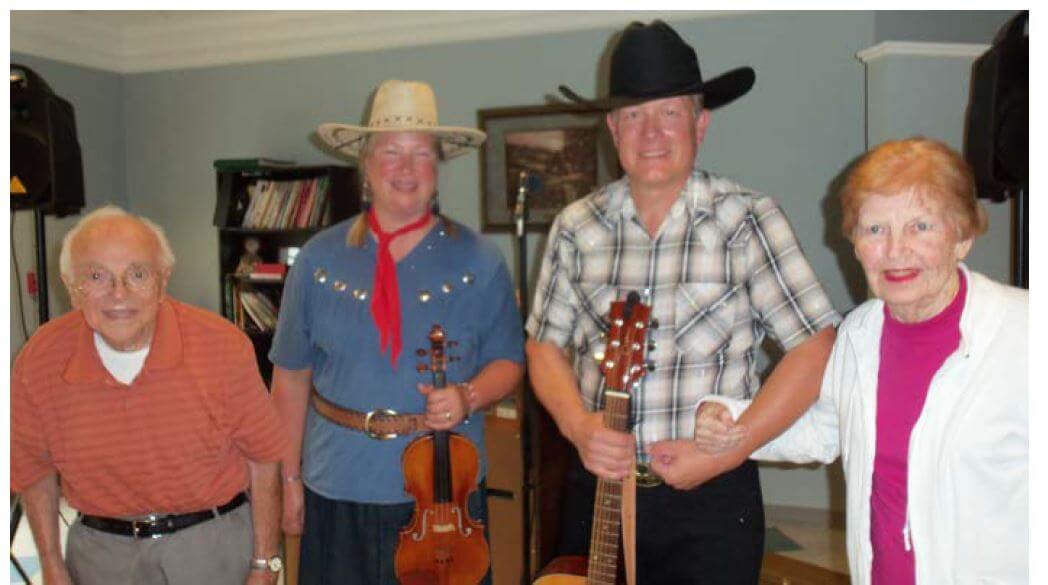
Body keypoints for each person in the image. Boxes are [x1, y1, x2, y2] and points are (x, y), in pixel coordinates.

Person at [526, 20, 840, 584]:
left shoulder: (747, 219)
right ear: (612, 129)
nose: (651, 132)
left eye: (669, 113)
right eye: (634, 116)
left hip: (712, 499)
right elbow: (543, 346)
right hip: (597, 491)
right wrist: (577, 426)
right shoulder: (576, 228)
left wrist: (726, 452)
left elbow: (816, 346)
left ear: (701, 124)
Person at [691, 137, 1028, 584]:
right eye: (874, 229)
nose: (895, 249)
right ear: (853, 242)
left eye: (921, 226)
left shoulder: (1024, 334)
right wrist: (731, 418)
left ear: (962, 236)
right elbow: (823, 429)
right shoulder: (859, 334)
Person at [272, 79, 525, 585]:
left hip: (443, 498)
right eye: (390, 152)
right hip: (336, 484)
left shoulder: (480, 259)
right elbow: (291, 379)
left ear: (438, 168)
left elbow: (509, 363)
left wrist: (468, 395)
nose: (406, 169)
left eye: (421, 154)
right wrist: (289, 479)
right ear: (366, 166)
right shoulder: (318, 258)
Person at [11, 206, 287, 585]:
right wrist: (53, 566)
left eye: (137, 274)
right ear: (70, 287)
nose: (119, 293)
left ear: (163, 280)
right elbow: (33, 469)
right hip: (100, 553)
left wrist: (264, 562)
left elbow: (263, 457)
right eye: (97, 276)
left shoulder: (222, 346)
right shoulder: (40, 359)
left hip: (209, 546)